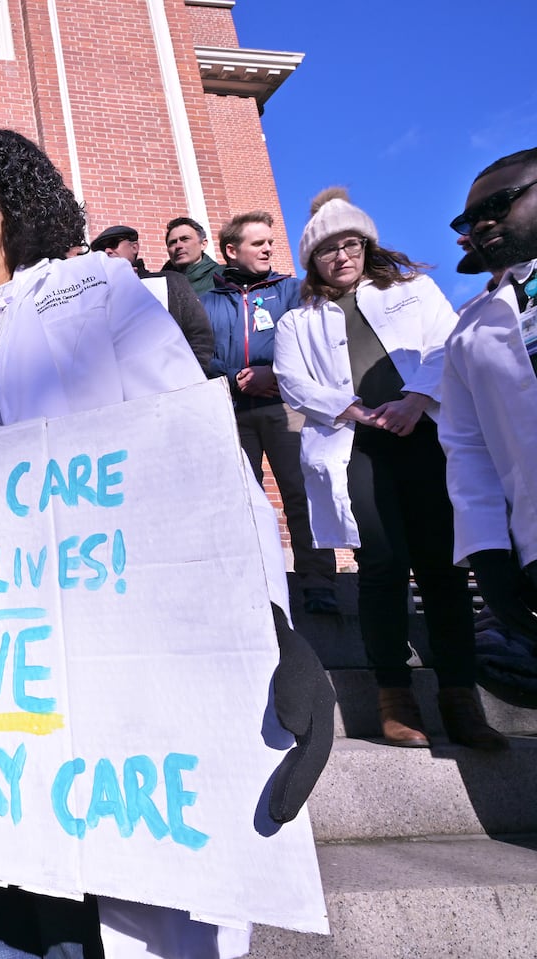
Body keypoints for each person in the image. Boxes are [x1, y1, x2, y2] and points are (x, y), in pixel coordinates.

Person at [0, 122, 330, 959]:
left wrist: (268, 623)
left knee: (89, 921)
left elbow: (197, 461)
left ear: (10, 194)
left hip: (88, 682)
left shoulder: (98, 295)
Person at [273, 187, 506, 751]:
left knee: (443, 566)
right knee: (382, 562)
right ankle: (393, 697)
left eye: (350, 243)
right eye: (327, 250)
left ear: (366, 244)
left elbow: (446, 345)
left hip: (422, 437)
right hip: (357, 448)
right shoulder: (296, 321)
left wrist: (414, 401)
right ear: (313, 261)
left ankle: (459, 698)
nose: (341, 256)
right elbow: (292, 380)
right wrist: (349, 408)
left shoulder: (415, 291)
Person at [203, 211, 340, 616]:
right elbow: (197, 351)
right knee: (244, 500)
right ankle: (258, 584)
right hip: (231, 412)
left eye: (269, 242)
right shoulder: (206, 301)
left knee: (301, 494)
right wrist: (233, 379)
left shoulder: (292, 290)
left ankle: (318, 582)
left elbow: (313, 343)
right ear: (232, 250)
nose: (267, 249)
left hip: (286, 407)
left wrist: (275, 375)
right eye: (257, 243)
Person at [441, 149, 537, 657]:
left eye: (501, 202)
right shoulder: (468, 328)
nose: (483, 222)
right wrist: (487, 552)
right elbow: (467, 447)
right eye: (470, 217)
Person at [90, 223, 215, 372]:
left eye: (113, 244)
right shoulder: (94, 296)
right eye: (100, 251)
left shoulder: (170, 281)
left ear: (134, 247)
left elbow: (199, 335)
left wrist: (193, 376)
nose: (107, 251)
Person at [161, 216, 221, 294]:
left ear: (203, 244)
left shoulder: (224, 277)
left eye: (185, 239)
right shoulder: (159, 285)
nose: (178, 246)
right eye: (173, 242)